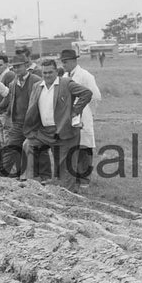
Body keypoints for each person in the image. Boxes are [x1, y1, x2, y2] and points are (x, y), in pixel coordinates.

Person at [22, 59, 93, 190]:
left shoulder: (66, 83)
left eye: (50, 72)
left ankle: (69, 194)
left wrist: (75, 111)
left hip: (64, 130)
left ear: (56, 71)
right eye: (44, 73)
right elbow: (33, 107)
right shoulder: (37, 86)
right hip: (44, 131)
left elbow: (86, 93)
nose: (47, 75)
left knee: (65, 166)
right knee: (28, 145)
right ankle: (29, 184)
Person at [59, 48, 102, 190]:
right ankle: (74, 177)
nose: (63, 64)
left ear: (73, 61)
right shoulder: (64, 76)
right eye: (62, 62)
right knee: (72, 147)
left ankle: (84, 179)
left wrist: (89, 113)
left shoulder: (85, 76)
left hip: (84, 113)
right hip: (69, 117)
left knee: (85, 146)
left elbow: (96, 96)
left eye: (65, 62)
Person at [0, 54, 43, 178]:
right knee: (11, 147)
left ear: (26, 66)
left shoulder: (36, 80)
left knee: (33, 150)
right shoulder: (13, 84)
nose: (16, 70)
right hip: (17, 122)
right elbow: (9, 100)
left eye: (19, 66)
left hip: (33, 123)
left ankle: (37, 177)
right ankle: (2, 174)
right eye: (14, 67)